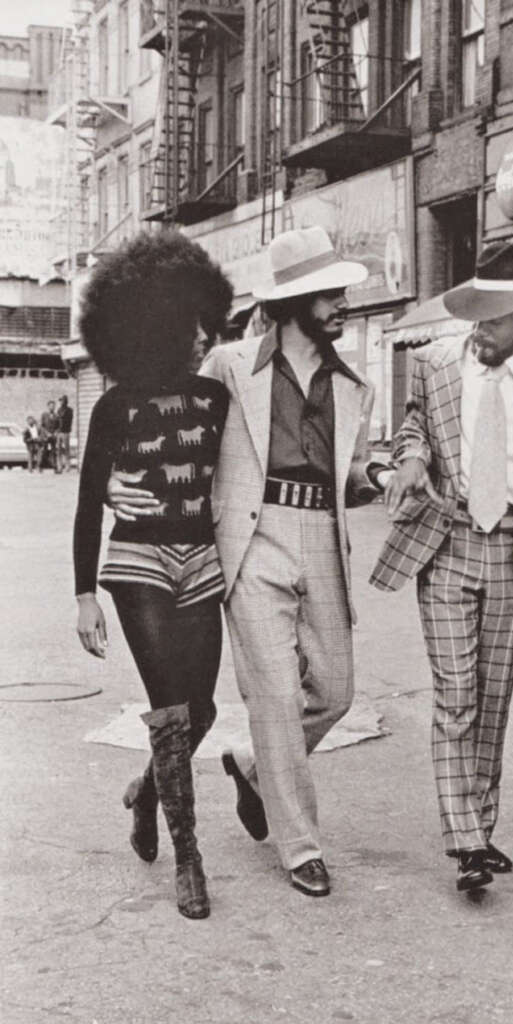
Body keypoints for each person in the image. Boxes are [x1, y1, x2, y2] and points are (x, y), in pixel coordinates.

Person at [107, 226, 388, 899]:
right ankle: (301, 847)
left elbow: (349, 476)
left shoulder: (356, 386)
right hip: (250, 539)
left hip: (322, 533)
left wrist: (379, 472)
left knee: (336, 692)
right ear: (297, 302)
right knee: (276, 697)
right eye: (331, 295)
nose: (344, 304)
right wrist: (127, 474)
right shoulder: (230, 366)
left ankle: (245, 770)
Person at [370, 238, 513, 893]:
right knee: (456, 695)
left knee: (493, 700)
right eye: (476, 316)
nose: (479, 330)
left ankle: (481, 833)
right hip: (447, 541)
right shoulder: (433, 365)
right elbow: (413, 431)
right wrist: (409, 460)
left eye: (493, 318)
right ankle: (464, 841)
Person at [73, 231, 233, 920]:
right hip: (137, 562)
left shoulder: (216, 399)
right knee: (170, 709)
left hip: (202, 559)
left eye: (205, 321)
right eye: (188, 323)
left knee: (203, 710)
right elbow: (86, 503)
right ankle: (189, 858)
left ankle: (145, 793)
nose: (201, 336)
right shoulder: (113, 407)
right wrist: (84, 595)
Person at [55, 394, 74, 472]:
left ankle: (67, 466)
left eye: (62, 400)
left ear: (65, 401)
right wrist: (56, 430)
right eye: (60, 400)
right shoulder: (59, 410)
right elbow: (57, 421)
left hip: (66, 432)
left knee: (67, 450)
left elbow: (68, 421)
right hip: (59, 432)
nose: (61, 402)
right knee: (58, 450)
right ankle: (59, 466)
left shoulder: (69, 410)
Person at [40, 400, 59, 471]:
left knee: (54, 452)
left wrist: (55, 433)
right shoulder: (44, 415)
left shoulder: (56, 416)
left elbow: (59, 426)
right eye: (50, 406)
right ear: (48, 407)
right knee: (44, 451)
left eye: (53, 406)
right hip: (46, 436)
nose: (52, 407)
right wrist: (46, 433)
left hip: (53, 436)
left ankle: (55, 467)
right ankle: (40, 466)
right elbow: (42, 426)